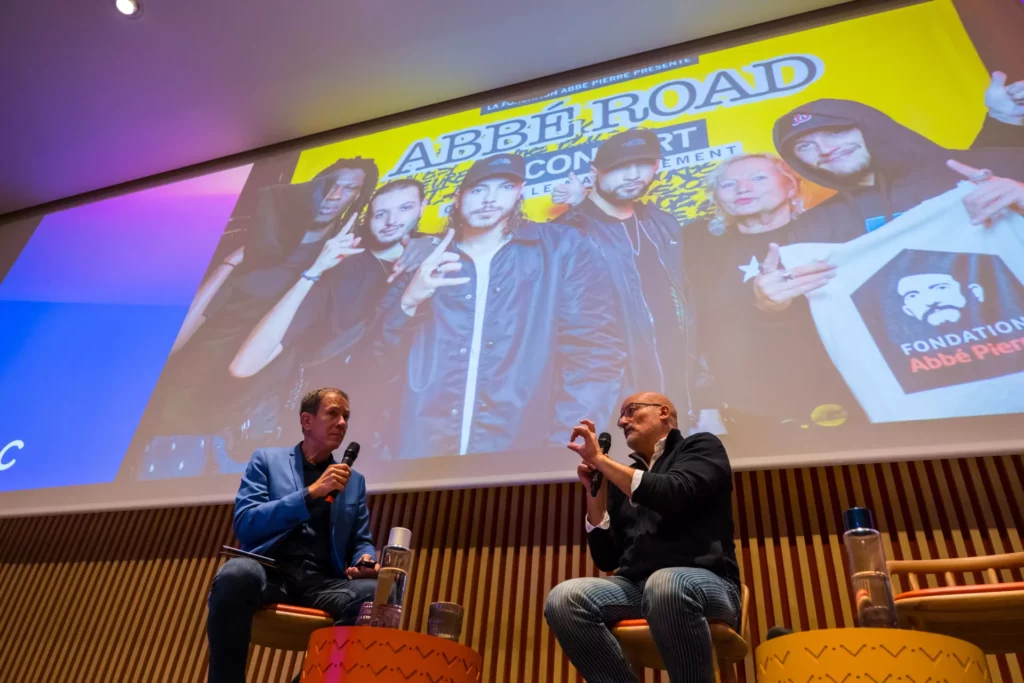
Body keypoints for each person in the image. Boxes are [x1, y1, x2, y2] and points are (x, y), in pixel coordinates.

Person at [132, 159, 379, 475]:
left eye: (348, 189)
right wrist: (231, 261)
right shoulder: (259, 245)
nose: (333, 195)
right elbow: (174, 342)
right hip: (177, 411)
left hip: (244, 425)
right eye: (327, 185)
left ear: (358, 200)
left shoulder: (341, 265)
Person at [376, 153, 626, 459]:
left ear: (520, 192)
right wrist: (408, 302)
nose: (490, 199)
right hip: (416, 460)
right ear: (457, 198)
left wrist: (565, 449)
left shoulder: (561, 247)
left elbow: (595, 356)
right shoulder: (424, 258)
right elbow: (374, 362)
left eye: (505, 187)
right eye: (479, 190)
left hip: (520, 459)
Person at [757, 72, 1024, 311]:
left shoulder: (976, 172)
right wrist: (770, 304)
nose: (825, 149)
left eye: (837, 132)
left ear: (870, 127)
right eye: (804, 146)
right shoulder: (813, 228)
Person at [544, 393, 740, 683]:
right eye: (622, 415)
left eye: (631, 411)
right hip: (637, 589)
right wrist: (593, 494)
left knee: (667, 584)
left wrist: (600, 459)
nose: (622, 421)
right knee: (564, 598)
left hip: (707, 585)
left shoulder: (700, 447)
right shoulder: (626, 477)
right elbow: (607, 557)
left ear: (663, 412)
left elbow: (674, 493)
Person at [206, 388, 379, 683]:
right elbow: (246, 523)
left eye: (346, 416)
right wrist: (311, 493)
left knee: (373, 595)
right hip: (269, 572)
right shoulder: (266, 461)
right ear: (307, 421)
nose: (342, 423)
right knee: (235, 572)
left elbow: (360, 538)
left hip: (321, 582)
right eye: (333, 414)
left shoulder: (354, 481)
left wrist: (365, 558)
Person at [683, 153, 862, 435]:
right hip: (747, 412)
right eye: (729, 184)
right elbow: (694, 332)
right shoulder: (698, 248)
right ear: (717, 197)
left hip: (841, 401)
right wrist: (707, 402)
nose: (743, 188)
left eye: (758, 178)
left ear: (791, 186)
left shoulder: (833, 232)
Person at [553, 129, 698, 429]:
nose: (634, 174)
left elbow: (686, 311)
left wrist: (704, 397)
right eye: (620, 166)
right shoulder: (565, 233)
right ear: (595, 173)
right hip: (609, 405)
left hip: (675, 399)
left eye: (644, 163)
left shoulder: (663, 224)